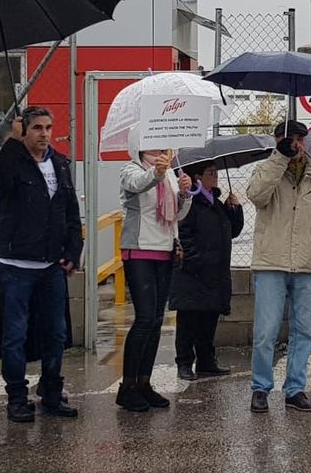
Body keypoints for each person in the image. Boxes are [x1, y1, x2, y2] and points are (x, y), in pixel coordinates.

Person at [0, 108, 82, 423]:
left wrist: (73, 250)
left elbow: (70, 212)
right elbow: (0, 181)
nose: (44, 134)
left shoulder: (60, 164)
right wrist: (13, 141)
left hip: (50, 265)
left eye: (49, 127)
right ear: (24, 131)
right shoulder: (11, 162)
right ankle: (16, 396)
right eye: (37, 128)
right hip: (16, 264)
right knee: (14, 334)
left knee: (55, 332)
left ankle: (52, 392)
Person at [248, 120, 311, 415]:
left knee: (304, 331)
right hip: (271, 262)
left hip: (305, 263)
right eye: (290, 139)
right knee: (266, 331)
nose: (297, 143)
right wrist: (280, 158)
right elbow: (257, 195)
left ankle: (295, 388)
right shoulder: (267, 170)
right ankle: (261, 388)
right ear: (277, 141)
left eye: (301, 138)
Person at [116, 131, 193, 412]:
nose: (159, 149)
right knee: (145, 318)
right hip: (139, 250)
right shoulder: (132, 169)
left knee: (156, 320)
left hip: (164, 250)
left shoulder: (170, 172)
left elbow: (178, 214)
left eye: (162, 144)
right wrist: (158, 173)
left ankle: (144, 383)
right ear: (139, 145)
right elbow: (138, 185)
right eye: (152, 143)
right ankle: (127, 386)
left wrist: (185, 193)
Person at [170, 162, 244, 382]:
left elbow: (233, 231)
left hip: (215, 272)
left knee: (209, 318)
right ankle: (184, 362)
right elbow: (183, 232)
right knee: (189, 320)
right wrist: (195, 259)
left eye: (216, 171)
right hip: (193, 272)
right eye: (211, 172)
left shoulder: (217, 204)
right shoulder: (191, 201)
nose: (216, 175)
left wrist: (235, 209)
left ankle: (206, 361)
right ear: (198, 177)